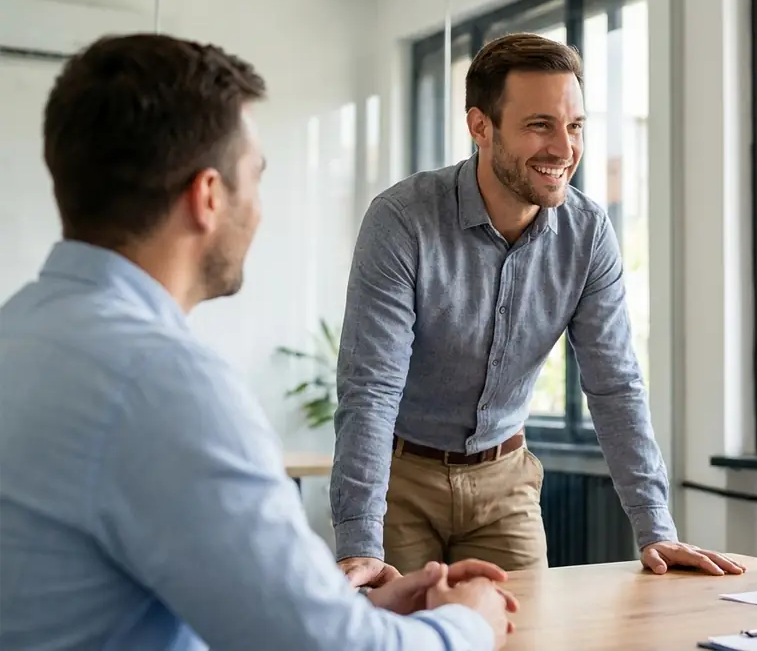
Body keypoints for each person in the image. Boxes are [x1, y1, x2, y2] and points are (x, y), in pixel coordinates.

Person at [0, 33, 517, 651]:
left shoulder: (21, 331)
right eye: (255, 177)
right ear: (208, 196)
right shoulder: (161, 384)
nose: (259, 208)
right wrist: (469, 621)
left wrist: (358, 609)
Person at [331, 32, 741, 585]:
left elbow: (615, 385)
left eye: (575, 126)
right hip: (399, 483)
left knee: (529, 626)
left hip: (505, 483)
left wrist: (656, 529)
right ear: (481, 126)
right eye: (540, 125)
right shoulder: (403, 219)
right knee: (399, 627)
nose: (564, 149)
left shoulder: (588, 232)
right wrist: (359, 539)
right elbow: (371, 387)